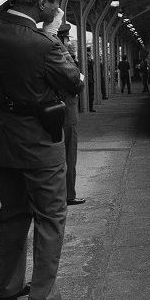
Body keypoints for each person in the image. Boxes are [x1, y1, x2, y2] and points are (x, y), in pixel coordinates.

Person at [0, 0, 86, 300]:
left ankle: (9, 286)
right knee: (51, 216)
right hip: (38, 143)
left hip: (1, 139)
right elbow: (76, 82)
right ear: (45, 3)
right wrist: (53, 34)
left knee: (13, 213)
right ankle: (44, 299)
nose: (58, 8)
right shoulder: (42, 45)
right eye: (56, 1)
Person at [55, 24, 86, 206]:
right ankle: (69, 194)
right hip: (67, 112)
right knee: (69, 155)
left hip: (54, 113)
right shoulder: (63, 56)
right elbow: (77, 83)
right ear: (63, 38)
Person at [86, 46, 96, 111]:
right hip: (88, 79)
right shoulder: (86, 59)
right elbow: (90, 65)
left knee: (91, 94)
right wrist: (90, 58)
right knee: (90, 94)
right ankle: (90, 107)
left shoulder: (89, 59)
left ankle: (90, 107)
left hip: (90, 79)